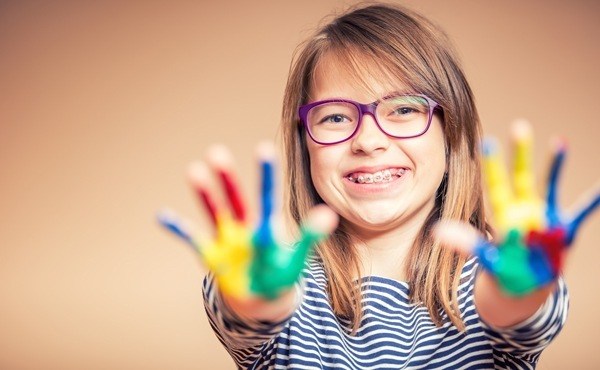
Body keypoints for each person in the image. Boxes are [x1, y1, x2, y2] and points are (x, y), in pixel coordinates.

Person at [159, 3, 598, 369]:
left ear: (452, 133)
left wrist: (519, 289)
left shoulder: (492, 274)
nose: (368, 141)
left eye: (404, 110)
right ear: (304, 144)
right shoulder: (282, 281)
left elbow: (516, 312)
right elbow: (251, 314)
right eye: (335, 117)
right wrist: (254, 298)